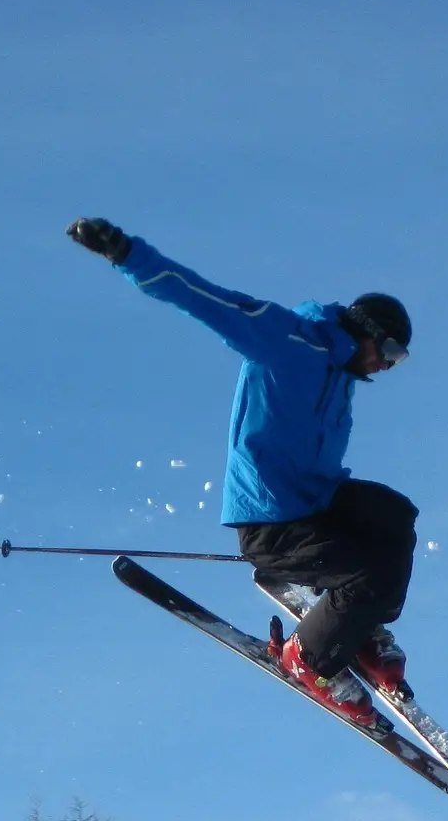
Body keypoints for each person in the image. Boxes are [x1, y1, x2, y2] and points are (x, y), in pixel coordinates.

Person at [67, 217, 416, 725]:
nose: (388, 366)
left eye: (399, 360)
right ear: (365, 331)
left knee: (394, 516)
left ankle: (359, 630)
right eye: (389, 351)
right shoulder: (288, 340)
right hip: (273, 522)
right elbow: (206, 299)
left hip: (317, 504)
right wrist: (125, 253)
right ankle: (309, 660)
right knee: (366, 573)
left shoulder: (342, 378)